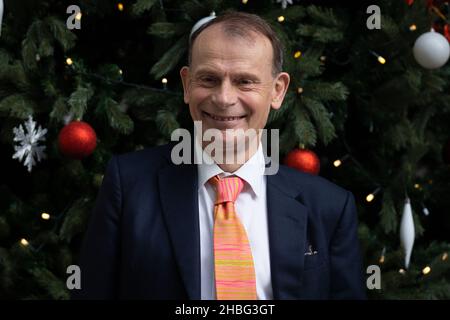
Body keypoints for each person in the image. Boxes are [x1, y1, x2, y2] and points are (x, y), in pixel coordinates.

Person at [72, 11, 366, 300]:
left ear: (278, 91)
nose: (224, 98)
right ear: (187, 85)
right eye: (209, 79)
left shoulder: (330, 207)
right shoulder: (129, 186)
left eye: (245, 81)